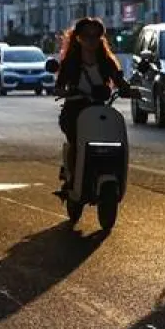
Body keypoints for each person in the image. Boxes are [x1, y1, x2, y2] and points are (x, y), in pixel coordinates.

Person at [51, 17, 131, 196]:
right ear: (78, 37)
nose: (91, 40)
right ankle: (72, 177)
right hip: (74, 110)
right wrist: (62, 91)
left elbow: (118, 80)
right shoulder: (71, 61)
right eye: (86, 35)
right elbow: (59, 85)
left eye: (95, 36)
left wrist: (129, 89)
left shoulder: (105, 60)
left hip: (100, 109)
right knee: (76, 142)